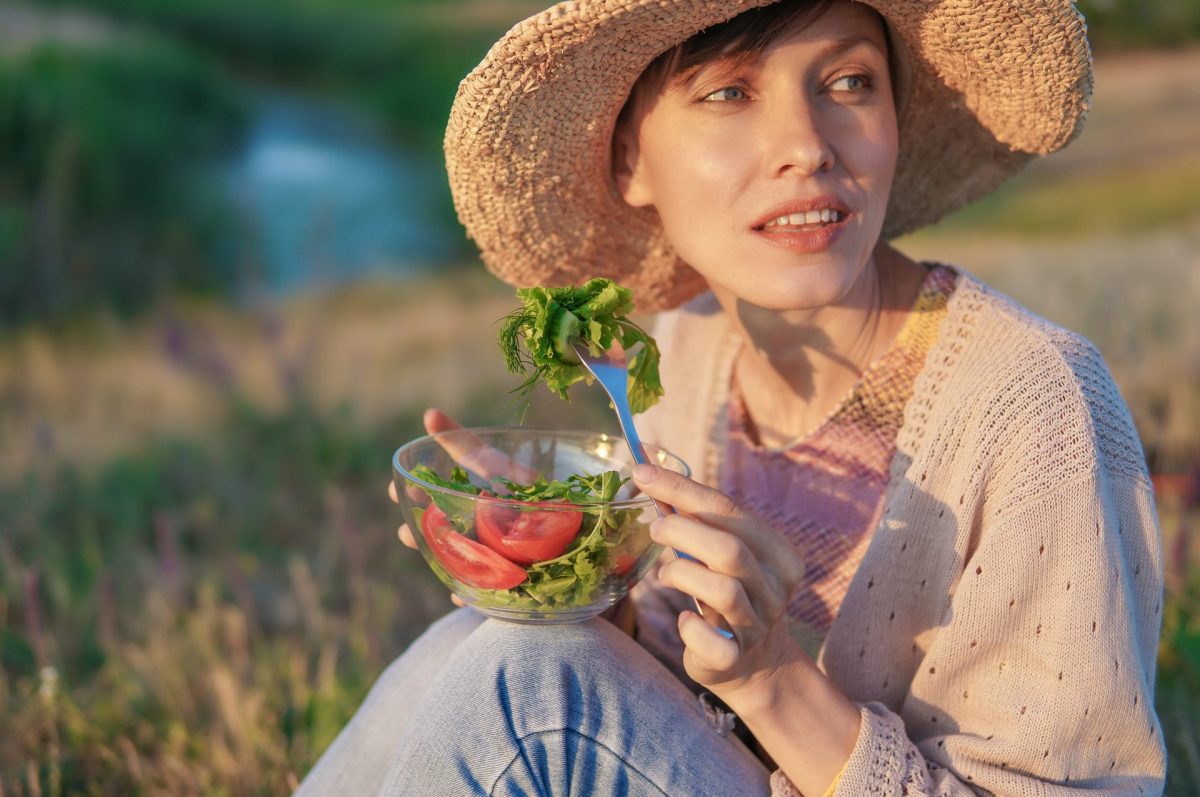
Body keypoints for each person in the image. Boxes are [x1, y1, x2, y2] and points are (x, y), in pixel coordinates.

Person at [297, 0, 1167, 794]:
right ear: (632, 159)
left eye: (850, 82)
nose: (808, 145)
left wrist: (772, 677)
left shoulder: (1036, 404)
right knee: (485, 639)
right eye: (728, 93)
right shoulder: (687, 349)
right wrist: (577, 568)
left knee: (531, 682)